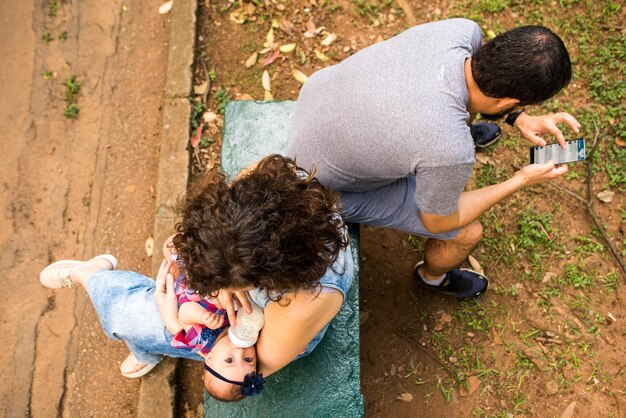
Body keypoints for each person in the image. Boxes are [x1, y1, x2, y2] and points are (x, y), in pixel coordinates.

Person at [287, 18, 580, 299]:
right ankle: (432, 277)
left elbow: (478, 81)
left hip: (318, 102)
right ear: (506, 102)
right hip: (315, 186)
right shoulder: (451, 152)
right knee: (466, 232)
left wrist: (519, 117)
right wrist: (521, 179)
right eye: (519, 107)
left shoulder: (461, 32)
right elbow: (438, 223)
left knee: (440, 139)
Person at [38, 155, 353, 394]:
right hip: (246, 289)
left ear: (268, 276)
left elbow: (258, 361)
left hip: (258, 334)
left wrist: (176, 323)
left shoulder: (305, 301)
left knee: (130, 317)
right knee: (171, 260)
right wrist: (211, 281)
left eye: (226, 282)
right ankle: (141, 341)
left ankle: (92, 276)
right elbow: (182, 247)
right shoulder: (259, 197)